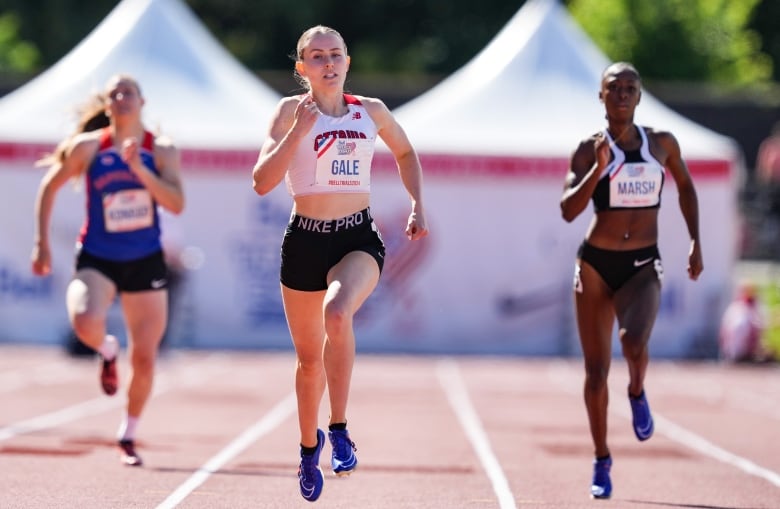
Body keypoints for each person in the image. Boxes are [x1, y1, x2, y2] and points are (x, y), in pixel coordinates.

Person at [252, 25, 428, 502]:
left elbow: (407, 151)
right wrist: (298, 133)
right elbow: (262, 181)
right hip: (304, 243)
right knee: (309, 363)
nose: (327, 63)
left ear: (347, 62)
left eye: (335, 55)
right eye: (317, 56)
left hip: (357, 238)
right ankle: (310, 450)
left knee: (337, 312)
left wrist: (416, 203)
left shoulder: (370, 111)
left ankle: (340, 428)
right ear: (301, 67)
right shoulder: (290, 112)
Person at [559, 62, 703, 499]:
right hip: (596, 264)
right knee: (596, 372)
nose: (622, 93)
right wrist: (597, 170)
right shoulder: (589, 149)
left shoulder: (661, 143)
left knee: (634, 342)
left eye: (630, 88)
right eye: (613, 87)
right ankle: (602, 459)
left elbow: (686, 188)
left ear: (639, 96)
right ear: (600, 96)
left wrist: (696, 241)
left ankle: (637, 389)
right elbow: (567, 210)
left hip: (642, 263)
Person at [31, 74, 185, 467]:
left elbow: (176, 203)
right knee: (83, 319)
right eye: (114, 94)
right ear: (108, 105)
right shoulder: (89, 148)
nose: (121, 98)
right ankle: (105, 348)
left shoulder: (161, 150)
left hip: (145, 260)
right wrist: (42, 243)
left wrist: (141, 170)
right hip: (98, 257)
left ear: (142, 100)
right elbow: (50, 186)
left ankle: (128, 433)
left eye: (128, 92)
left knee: (147, 358)